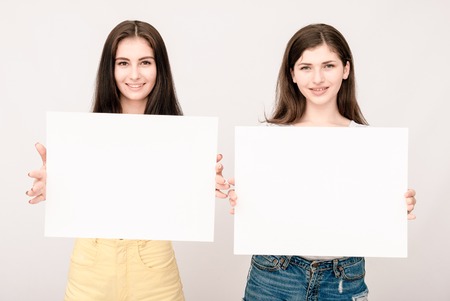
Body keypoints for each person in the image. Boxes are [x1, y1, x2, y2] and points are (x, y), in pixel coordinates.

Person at [26, 20, 225, 301]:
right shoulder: (82, 135)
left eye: (145, 62)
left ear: (160, 68)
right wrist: (56, 183)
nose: (134, 74)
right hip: (91, 266)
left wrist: (203, 186)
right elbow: (79, 197)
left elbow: (179, 203)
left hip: (154, 267)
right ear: (110, 69)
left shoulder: (181, 137)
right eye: (123, 63)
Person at [215, 23, 417, 300]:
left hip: (343, 280)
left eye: (329, 66)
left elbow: (364, 212)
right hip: (274, 276)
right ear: (293, 74)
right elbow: (266, 211)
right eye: (306, 67)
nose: (318, 78)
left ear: (346, 70)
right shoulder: (269, 139)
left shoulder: (369, 144)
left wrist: (393, 206)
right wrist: (245, 198)